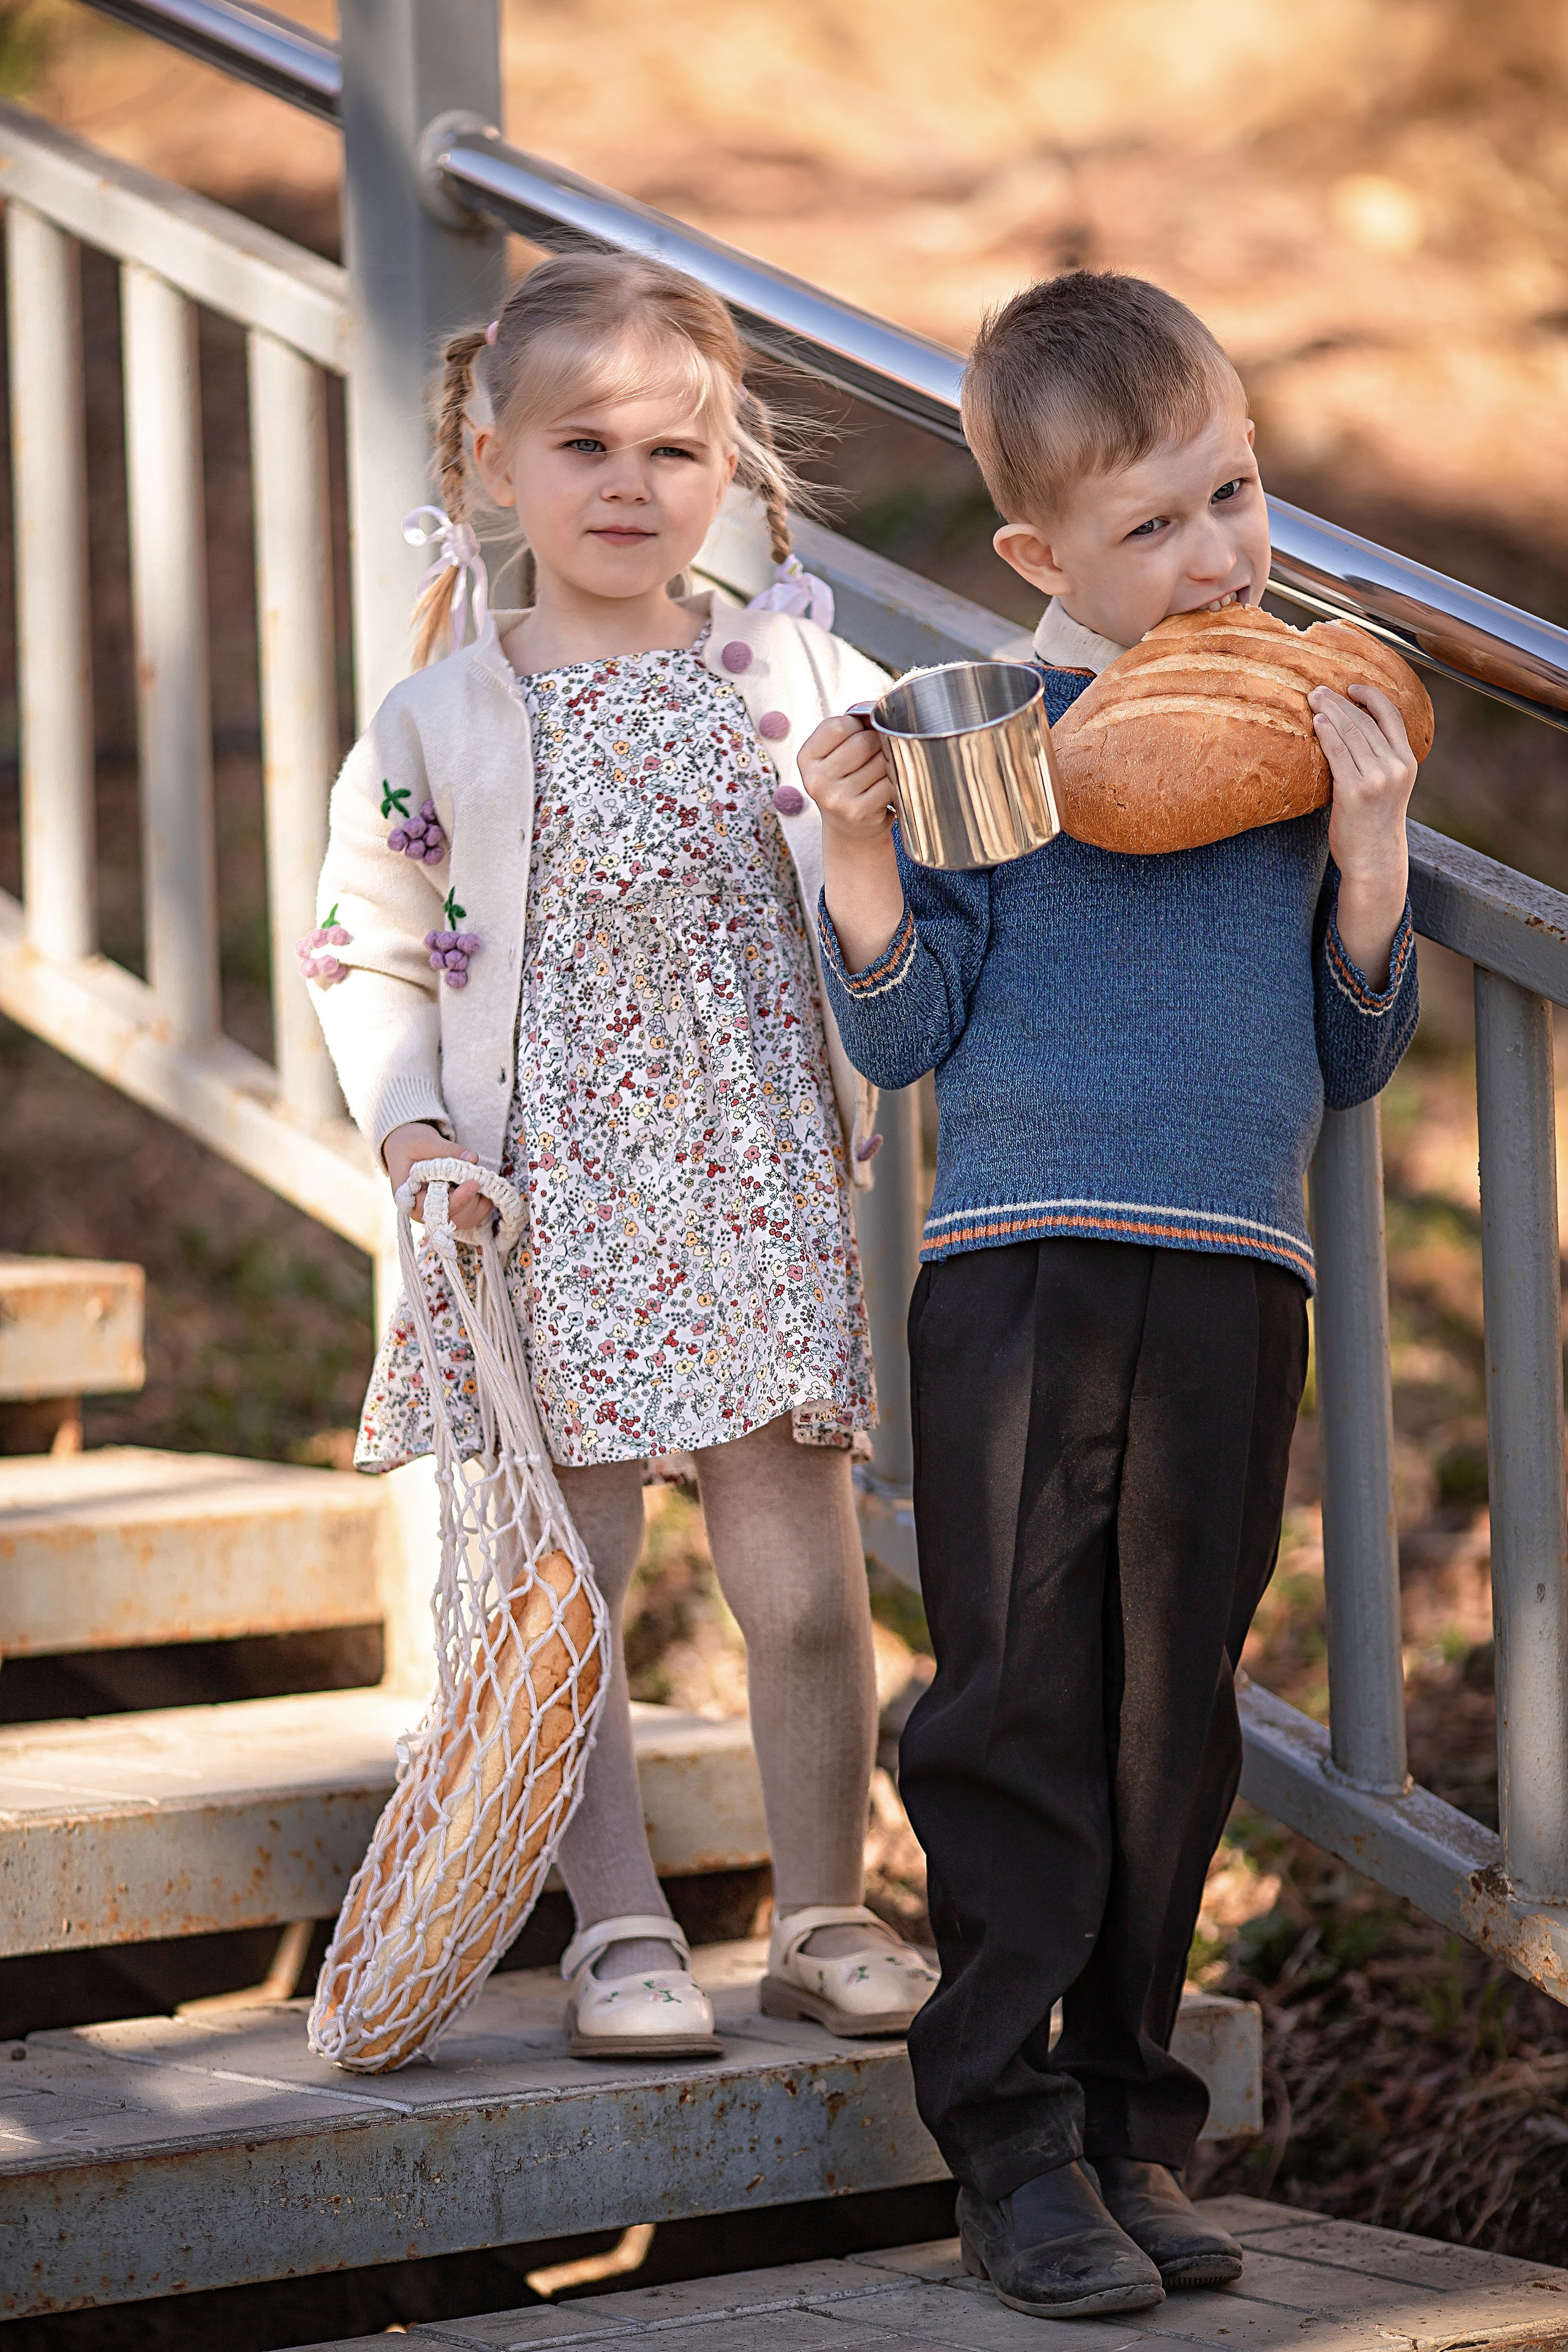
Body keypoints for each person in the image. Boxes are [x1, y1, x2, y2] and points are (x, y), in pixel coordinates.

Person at [799, 270, 1422, 2322]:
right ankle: (1003, 2131)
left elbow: (1347, 1057)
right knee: (1016, 1697)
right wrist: (871, 868)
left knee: (1175, 1709)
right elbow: (908, 1043)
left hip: (1240, 1275)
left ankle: (1136, 2115)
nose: (1211, 555)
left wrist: (1372, 858)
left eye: (1232, 494)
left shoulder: (1276, 740)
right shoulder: (998, 737)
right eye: (1150, 527)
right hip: (1023, 1273)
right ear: (1037, 555)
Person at [306, 252, 937, 2062]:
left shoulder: (799, 674)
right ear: (490, 460)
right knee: (567, 1592)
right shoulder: (442, 716)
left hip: (745, 1179)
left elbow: (947, 820)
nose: (628, 484)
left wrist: (872, 817)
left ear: (730, 471)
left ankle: (819, 1906)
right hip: (552, 1195)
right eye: (581, 443)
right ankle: (621, 1926)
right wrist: (416, 1127)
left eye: (676, 448)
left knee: (803, 1581)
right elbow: (365, 936)